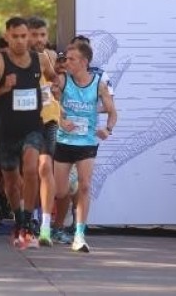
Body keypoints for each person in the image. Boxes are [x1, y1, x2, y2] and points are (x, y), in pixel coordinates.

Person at [0, 16, 54, 249]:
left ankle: (28, 222)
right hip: (6, 129)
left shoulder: (40, 60)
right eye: (16, 36)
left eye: (24, 36)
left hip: (32, 126)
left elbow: (54, 79)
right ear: (7, 36)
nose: (21, 41)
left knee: (31, 169)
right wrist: (4, 88)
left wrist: (55, 87)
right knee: (11, 182)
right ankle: (19, 218)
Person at [53, 41, 117, 253]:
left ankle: (79, 234)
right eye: (66, 59)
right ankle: (58, 222)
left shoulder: (99, 84)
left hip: (87, 142)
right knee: (61, 191)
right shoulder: (63, 80)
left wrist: (107, 129)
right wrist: (61, 120)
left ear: (84, 62)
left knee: (85, 186)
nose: (66, 63)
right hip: (64, 142)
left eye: (71, 59)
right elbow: (51, 104)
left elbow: (112, 111)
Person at [27, 16, 60, 246]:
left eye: (42, 35)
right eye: (34, 35)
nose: (38, 39)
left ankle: (45, 225)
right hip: (23, 122)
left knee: (45, 167)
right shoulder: (11, 59)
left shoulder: (51, 57)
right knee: (27, 173)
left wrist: (57, 86)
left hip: (49, 119)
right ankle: (28, 218)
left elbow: (57, 83)